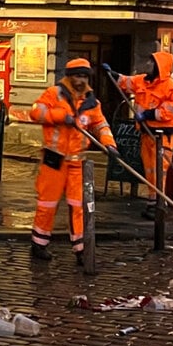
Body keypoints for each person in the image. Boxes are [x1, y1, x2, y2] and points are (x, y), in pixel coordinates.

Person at [29, 58, 119, 264]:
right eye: (78, 75)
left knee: (78, 205)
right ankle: (39, 243)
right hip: (55, 158)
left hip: (77, 161)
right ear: (70, 76)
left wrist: (109, 144)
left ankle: (80, 249)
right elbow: (36, 112)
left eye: (85, 76)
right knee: (47, 203)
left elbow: (100, 124)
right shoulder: (54, 94)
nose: (81, 80)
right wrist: (60, 115)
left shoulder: (91, 102)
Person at [102, 52, 173, 219]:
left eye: (152, 63)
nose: (148, 65)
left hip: (162, 136)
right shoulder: (142, 81)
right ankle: (153, 202)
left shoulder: (171, 87)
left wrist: (148, 115)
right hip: (147, 134)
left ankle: (160, 203)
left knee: (160, 170)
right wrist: (112, 74)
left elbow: (169, 111)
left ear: (160, 67)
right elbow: (125, 82)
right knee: (150, 170)